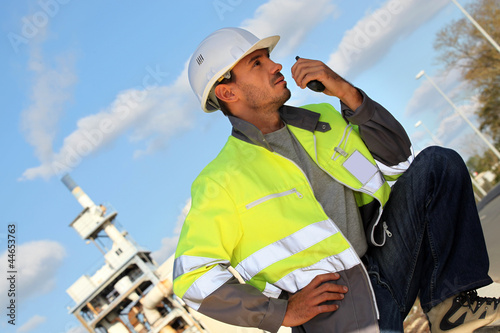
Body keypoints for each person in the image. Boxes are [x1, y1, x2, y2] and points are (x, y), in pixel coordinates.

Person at [172, 27, 500, 333]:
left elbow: (399, 163)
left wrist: (346, 92)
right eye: (258, 63)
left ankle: (450, 310)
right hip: (337, 313)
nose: (276, 65)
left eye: (269, 57)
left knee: (438, 165)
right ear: (227, 90)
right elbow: (191, 278)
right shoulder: (221, 181)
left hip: (386, 260)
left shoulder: (324, 119)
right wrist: (279, 312)